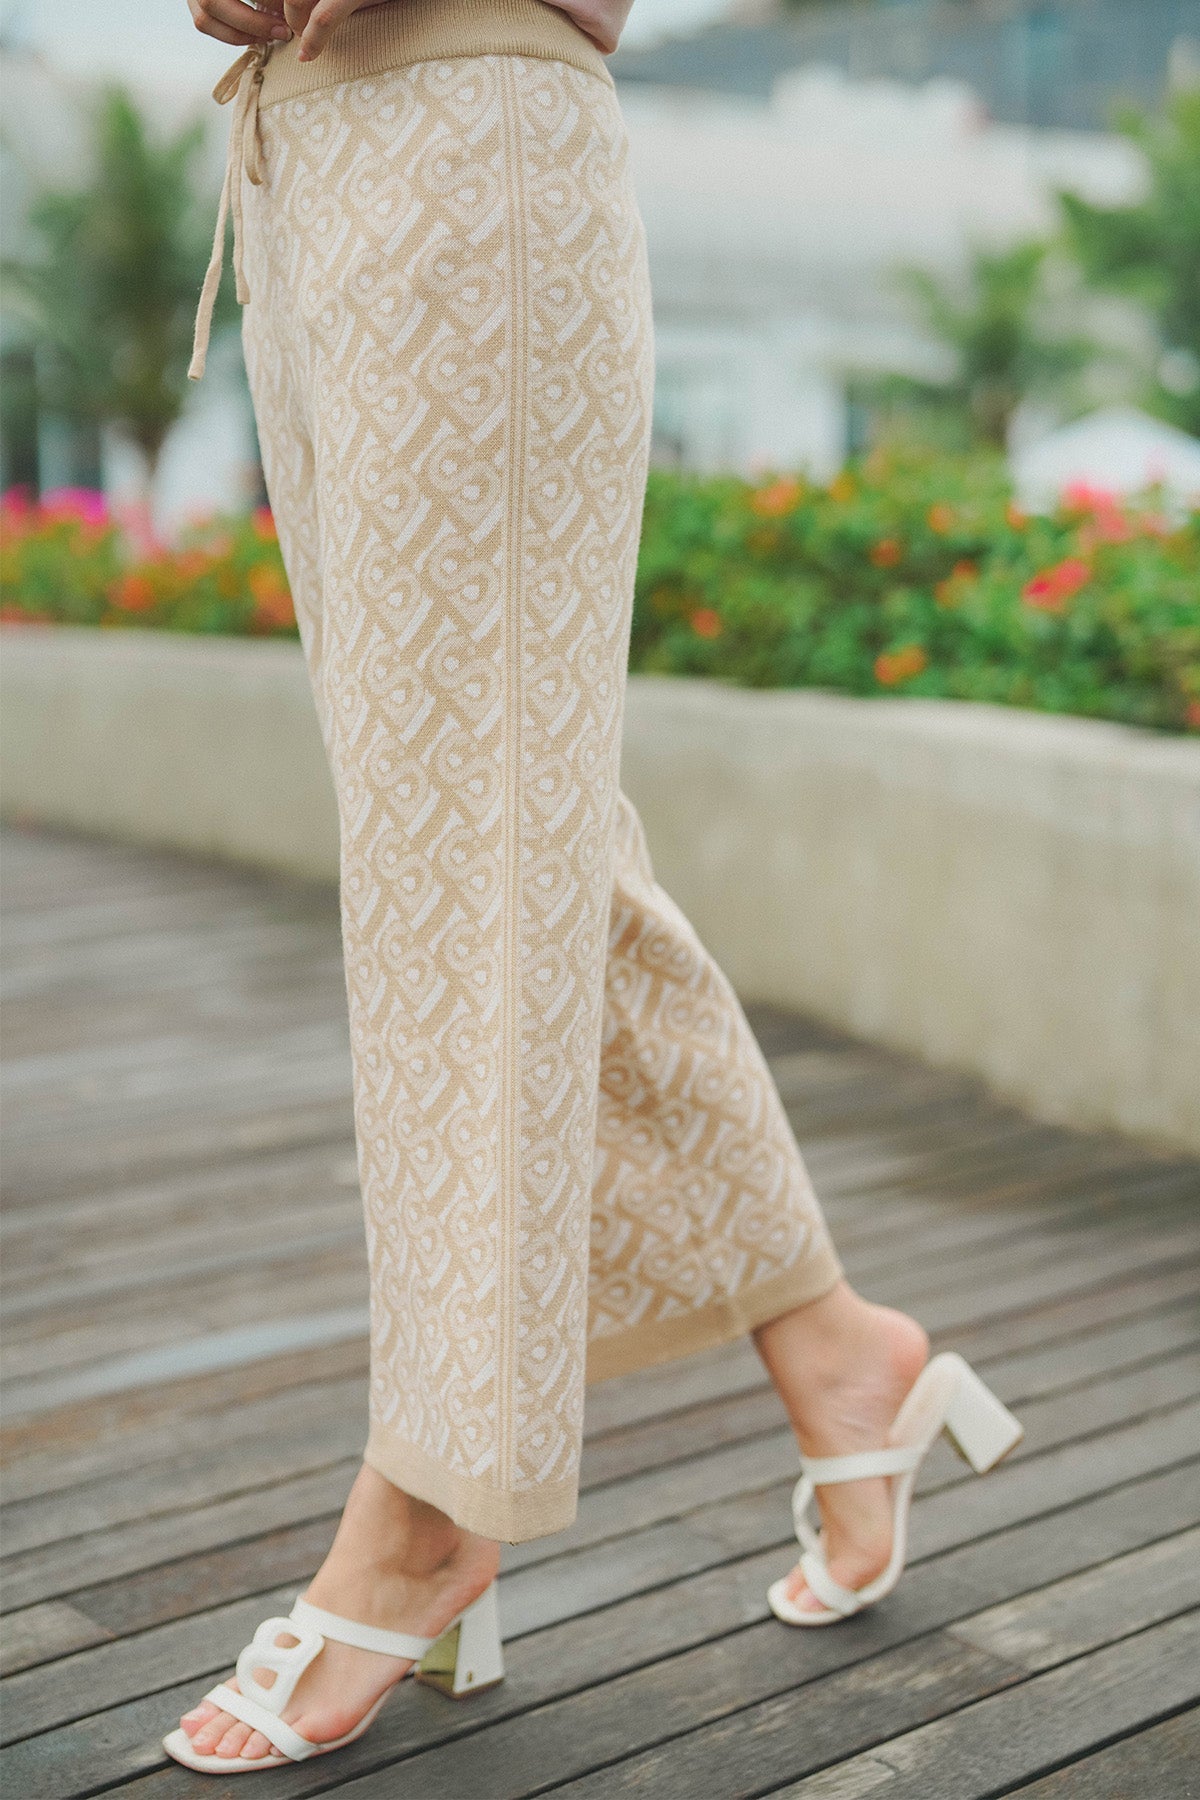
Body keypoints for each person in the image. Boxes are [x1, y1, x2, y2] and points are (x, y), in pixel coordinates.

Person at [165, 0, 1022, 1773]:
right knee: (506, 844)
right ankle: (838, 1349)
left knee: (462, 864)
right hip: (305, 164)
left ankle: (429, 1506)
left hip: (471, 146)